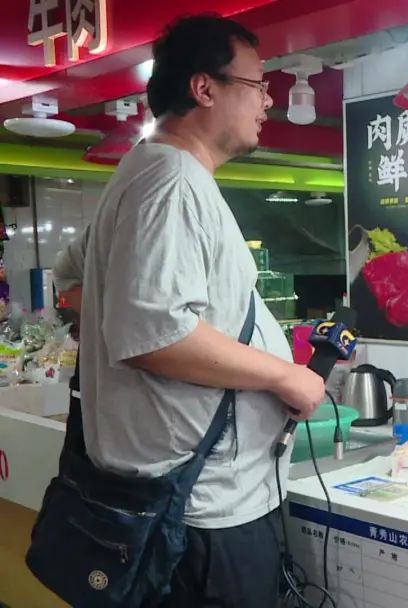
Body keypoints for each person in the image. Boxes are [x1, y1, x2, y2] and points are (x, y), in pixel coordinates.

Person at [52, 15, 326, 607]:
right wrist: (285, 375)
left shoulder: (147, 170)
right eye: (257, 84)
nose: (268, 100)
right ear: (204, 88)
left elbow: (69, 276)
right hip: (197, 515)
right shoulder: (171, 180)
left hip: (177, 502)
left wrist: (109, 326)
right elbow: (157, 335)